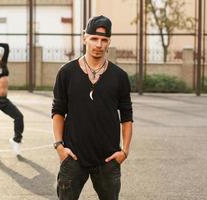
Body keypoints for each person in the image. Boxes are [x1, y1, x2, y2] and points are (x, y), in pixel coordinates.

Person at [51, 15, 133, 200]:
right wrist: (59, 146)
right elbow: (58, 111)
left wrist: (124, 151)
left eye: (104, 40)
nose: (99, 44)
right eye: (94, 38)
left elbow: (127, 116)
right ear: (84, 37)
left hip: (108, 159)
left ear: (109, 42)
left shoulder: (119, 76)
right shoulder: (67, 73)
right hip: (73, 157)